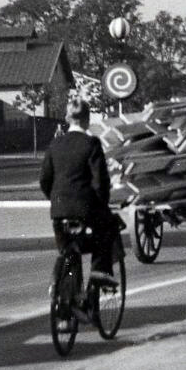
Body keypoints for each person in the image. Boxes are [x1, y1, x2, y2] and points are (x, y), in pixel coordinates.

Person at [39, 99, 121, 282]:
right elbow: (100, 181)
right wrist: (102, 205)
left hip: (59, 212)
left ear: (68, 118)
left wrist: (55, 199)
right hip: (86, 209)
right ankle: (99, 271)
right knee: (108, 228)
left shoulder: (55, 144)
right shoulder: (91, 143)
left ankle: (64, 291)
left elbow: (44, 179)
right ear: (87, 118)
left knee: (67, 249)